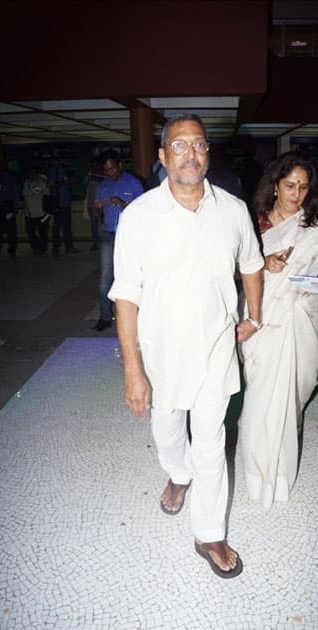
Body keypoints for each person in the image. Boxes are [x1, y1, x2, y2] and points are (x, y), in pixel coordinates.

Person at [108, 114, 264, 578]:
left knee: (211, 444)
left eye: (198, 145)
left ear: (208, 153)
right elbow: (126, 297)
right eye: (179, 146)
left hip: (216, 351)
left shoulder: (233, 210)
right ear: (162, 156)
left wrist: (252, 316)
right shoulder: (138, 218)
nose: (190, 154)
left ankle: (209, 533)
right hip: (161, 357)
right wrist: (133, 371)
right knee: (168, 433)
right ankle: (178, 474)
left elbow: (251, 265)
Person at [239, 152, 318, 510]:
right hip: (264, 318)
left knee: (295, 393)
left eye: (304, 187)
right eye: (290, 185)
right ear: (275, 185)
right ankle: (258, 477)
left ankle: (283, 475)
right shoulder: (254, 224)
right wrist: (263, 263)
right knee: (260, 400)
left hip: (303, 315)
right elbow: (234, 267)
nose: (297, 193)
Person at [93, 151, 144, 331]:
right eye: (106, 170)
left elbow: (143, 211)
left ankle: (137, 316)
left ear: (119, 165)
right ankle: (105, 316)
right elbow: (96, 213)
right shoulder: (102, 186)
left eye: (112, 168)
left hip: (129, 235)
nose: (110, 172)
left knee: (132, 276)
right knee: (106, 276)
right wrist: (97, 208)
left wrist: (122, 203)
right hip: (108, 234)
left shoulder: (133, 183)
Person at [47, 156, 77, 255]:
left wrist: (71, 181)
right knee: (57, 226)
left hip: (66, 202)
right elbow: (51, 185)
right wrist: (65, 182)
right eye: (67, 160)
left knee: (67, 226)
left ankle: (69, 247)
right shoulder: (54, 170)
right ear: (61, 159)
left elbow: (70, 184)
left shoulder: (66, 170)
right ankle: (56, 247)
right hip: (58, 203)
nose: (68, 162)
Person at [22, 166, 49, 255]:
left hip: (41, 212)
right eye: (29, 172)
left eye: (33, 172)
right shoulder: (26, 183)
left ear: (36, 173)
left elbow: (47, 194)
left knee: (43, 232)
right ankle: (35, 247)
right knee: (30, 231)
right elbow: (25, 197)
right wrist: (25, 209)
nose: (31, 174)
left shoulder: (42, 182)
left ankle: (43, 248)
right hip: (29, 213)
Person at [83, 159, 105, 251]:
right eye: (94, 164)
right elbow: (84, 186)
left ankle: (106, 242)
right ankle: (95, 243)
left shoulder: (105, 175)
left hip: (104, 203)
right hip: (92, 204)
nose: (95, 166)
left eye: (97, 164)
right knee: (94, 224)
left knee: (104, 224)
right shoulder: (90, 175)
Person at [0, 160, 20, 257]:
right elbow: (15, 193)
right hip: (7, 206)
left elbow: (15, 193)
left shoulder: (10, 178)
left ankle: (12, 249)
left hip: (7, 206)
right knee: (10, 229)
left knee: (10, 229)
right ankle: (12, 249)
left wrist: (16, 207)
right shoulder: (10, 177)